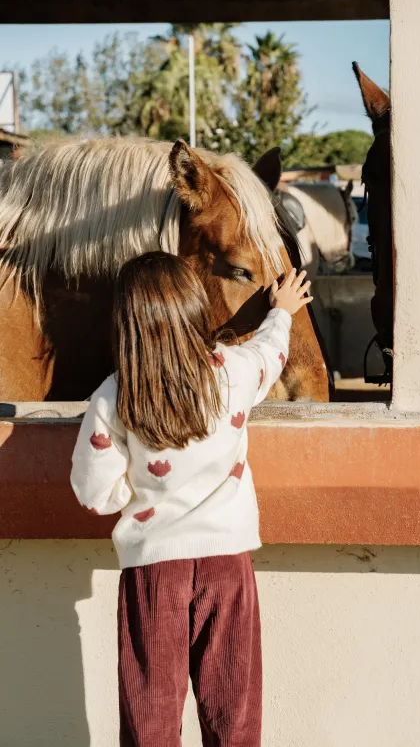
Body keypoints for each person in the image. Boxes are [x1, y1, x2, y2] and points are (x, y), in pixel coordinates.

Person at [70, 251, 312, 747]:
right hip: (228, 564)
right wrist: (281, 312)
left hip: (154, 571)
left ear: (127, 324)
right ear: (196, 307)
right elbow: (270, 353)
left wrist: (137, 490)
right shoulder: (233, 372)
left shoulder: (113, 396)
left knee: (150, 719)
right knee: (233, 716)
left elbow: (95, 494)